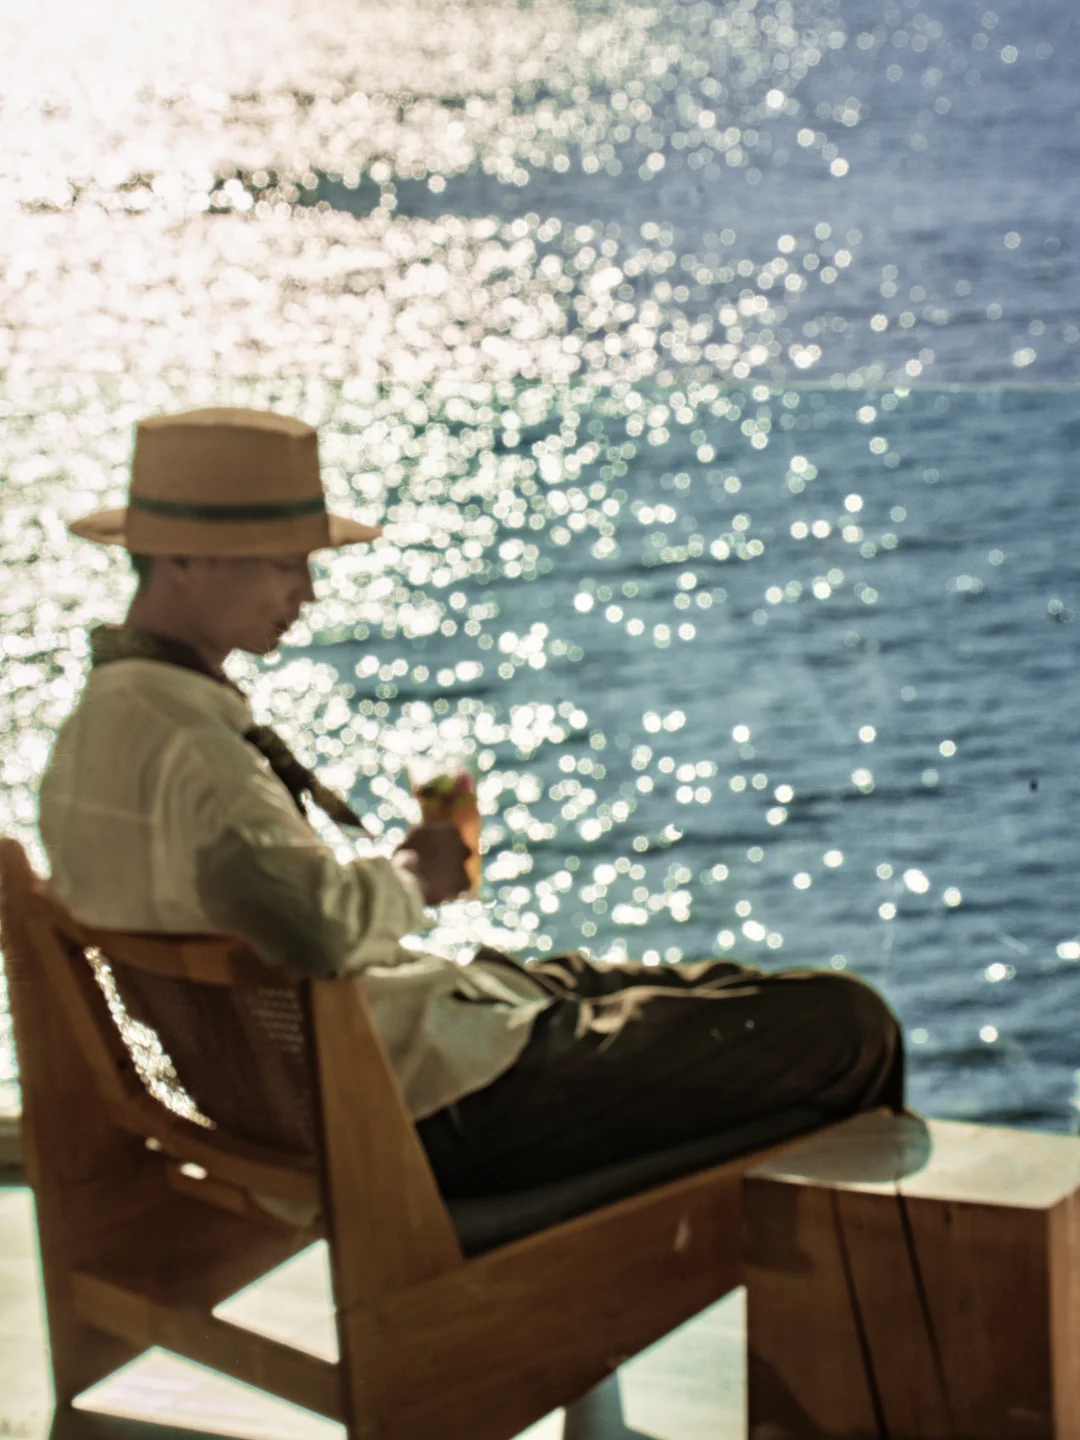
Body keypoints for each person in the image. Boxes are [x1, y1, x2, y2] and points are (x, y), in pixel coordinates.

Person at [37, 407, 903, 1202]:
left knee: (712, 992)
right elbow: (320, 931)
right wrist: (416, 874)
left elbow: (266, 910)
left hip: (369, 1075)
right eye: (282, 563)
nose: (306, 591)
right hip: (430, 1105)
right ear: (183, 559)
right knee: (847, 1024)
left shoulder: (94, 735)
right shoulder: (195, 750)